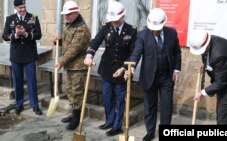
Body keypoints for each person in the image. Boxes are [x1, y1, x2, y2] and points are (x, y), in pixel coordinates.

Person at [125, 8, 182, 141]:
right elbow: (136, 53)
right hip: (149, 76)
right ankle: (150, 131)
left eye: (157, 28)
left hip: (167, 77)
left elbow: (177, 53)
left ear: (163, 24)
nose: (154, 31)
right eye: (153, 28)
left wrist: (176, 70)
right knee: (149, 106)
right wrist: (131, 67)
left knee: (167, 105)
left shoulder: (172, 33)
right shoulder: (142, 35)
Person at [84, 1, 137, 136]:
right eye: (112, 20)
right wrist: (89, 55)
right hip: (106, 69)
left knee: (120, 99)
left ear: (122, 16)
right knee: (107, 97)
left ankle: (117, 126)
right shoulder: (106, 27)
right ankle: (109, 121)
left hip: (122, 71)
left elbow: (133, 52)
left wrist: (125, 68)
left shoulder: (132, 30)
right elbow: (95, 41)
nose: (114, 23)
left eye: (116, 20)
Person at [189, 29, 227, 125]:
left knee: (223, 117)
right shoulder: (207, 43)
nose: (202, 52)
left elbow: (221, 82)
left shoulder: (219, 54)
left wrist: (202, 92)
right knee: (222, 116)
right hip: (225, 80)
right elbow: (211, 61)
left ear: (207, 44)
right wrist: (205, 67)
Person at [53, 0, 91, 130]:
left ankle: (77, 118)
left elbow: (74, 49)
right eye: (65, 14)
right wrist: (59, 41)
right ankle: (73, 113)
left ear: (76, 13)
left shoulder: (82, 29)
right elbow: (68, 42)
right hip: (70, 65)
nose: (66, 17)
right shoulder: (70, 25)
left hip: (78, 67)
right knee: (69, 91)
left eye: (68, 14)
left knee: (76, 93)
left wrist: (61, 61)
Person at [2, 0, 42, 115]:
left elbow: (39, 35)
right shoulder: (10, 19)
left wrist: (26, 34)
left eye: (24, 7)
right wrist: (15, 35)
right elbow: (4, 36)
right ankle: (19, 104)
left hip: (29, 54)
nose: (23, 10)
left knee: (31, 81)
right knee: (18, 81)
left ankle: (35, 105)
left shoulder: (33, 17)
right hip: (16, 55)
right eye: (20, 8)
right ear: (15, 8)